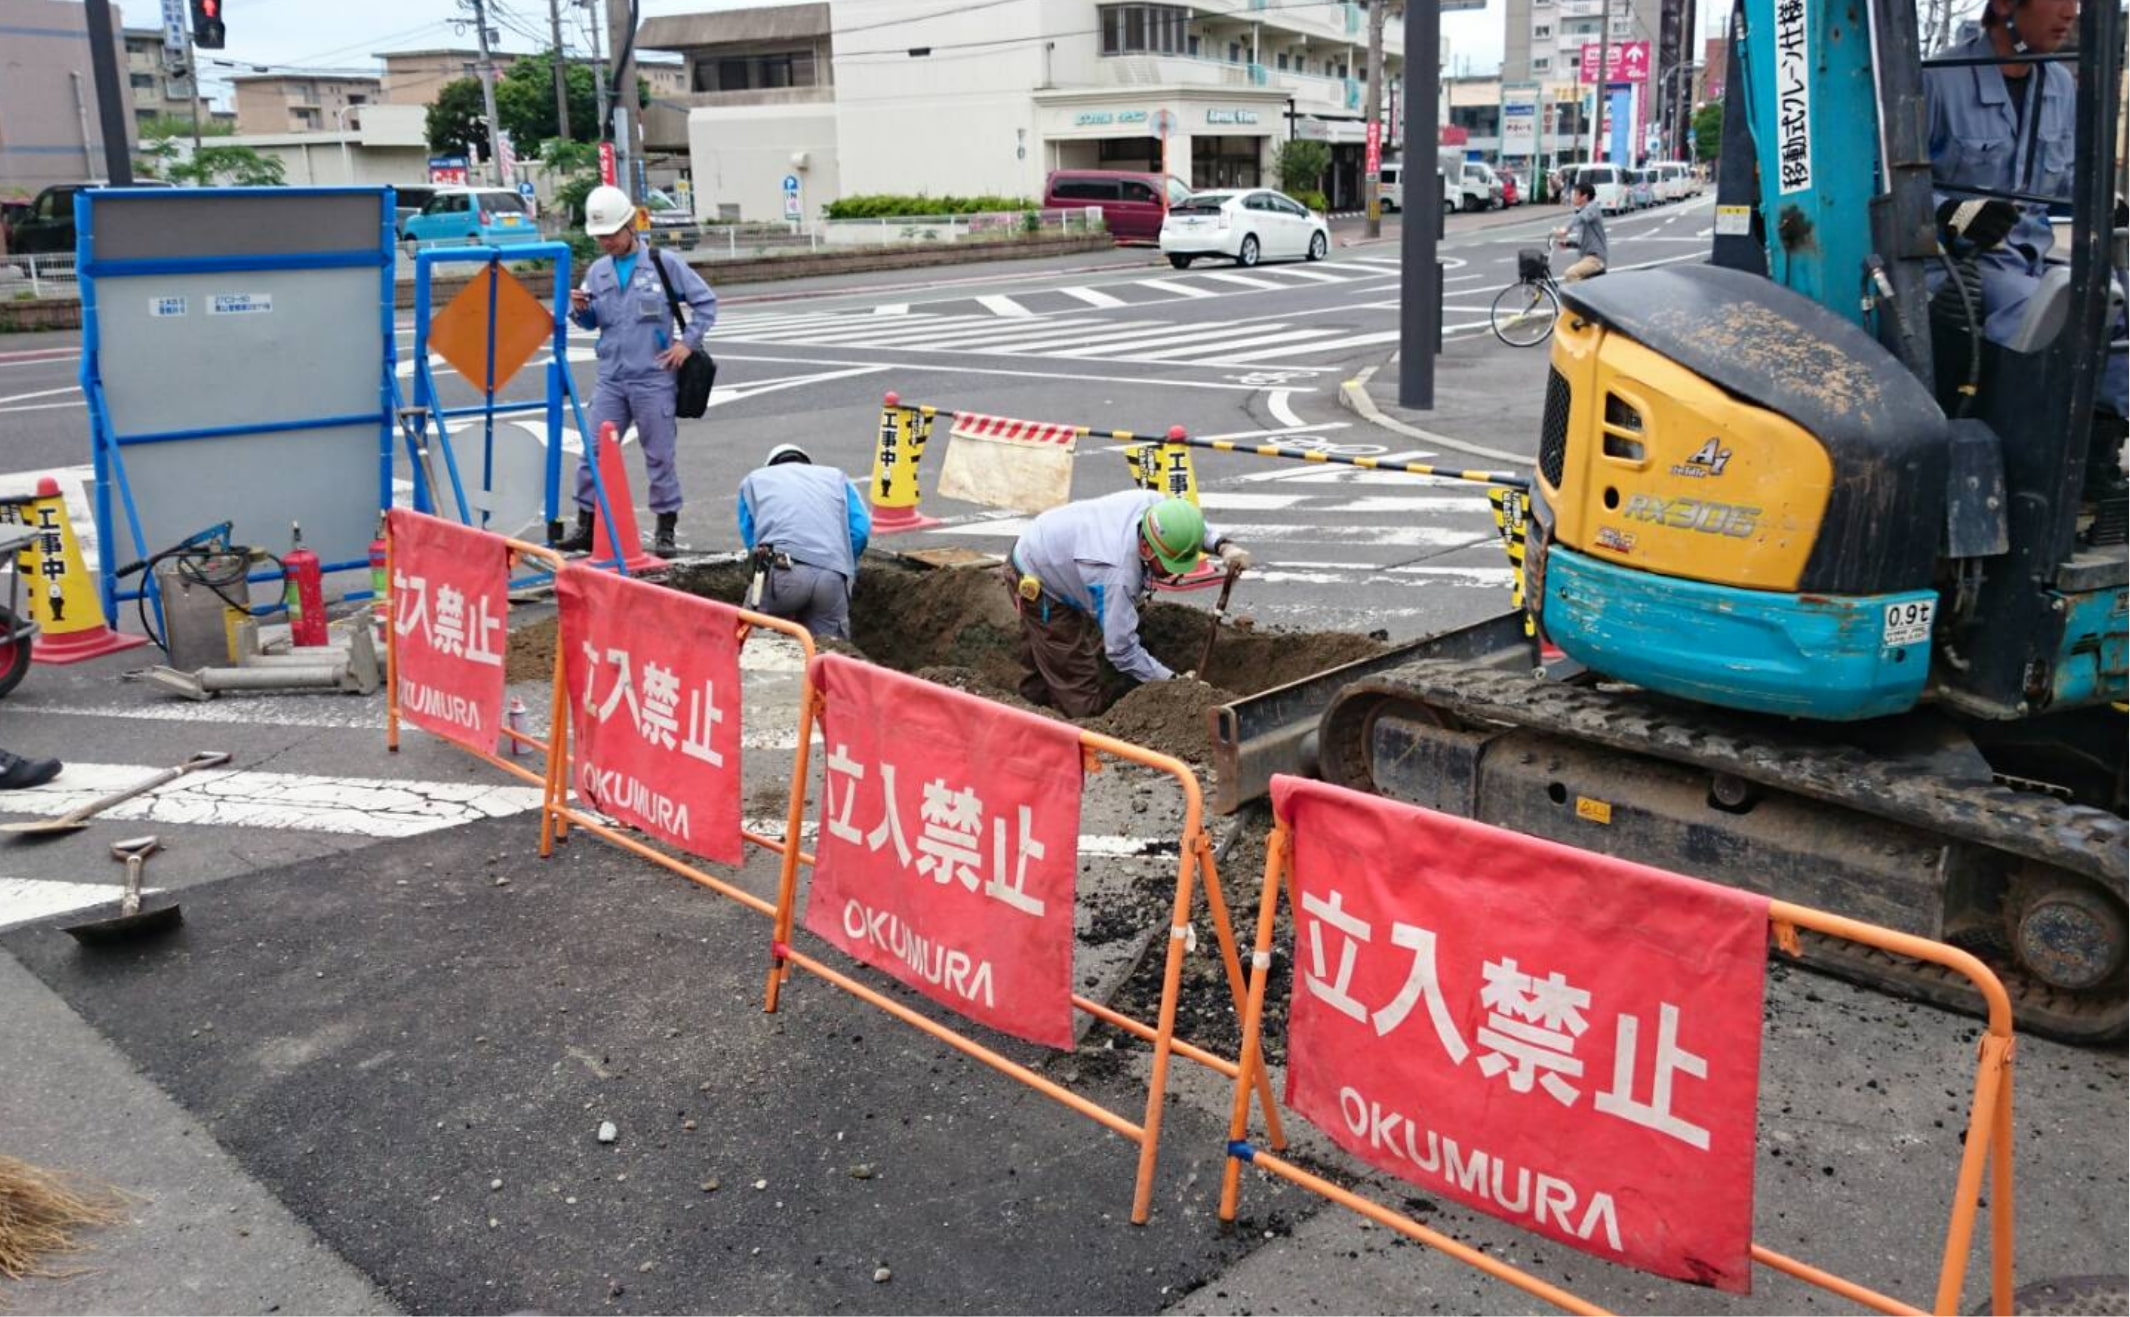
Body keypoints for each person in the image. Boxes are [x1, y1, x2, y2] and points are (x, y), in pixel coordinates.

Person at [1924, 0, 2126, 416]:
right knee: (2050, 310)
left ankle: (2099, 444)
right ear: (2004, 5)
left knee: (2114, 301)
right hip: (1959, 265)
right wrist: (1956, 213)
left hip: (2031, 258)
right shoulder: (1938, 80)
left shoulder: (2059, 85)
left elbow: (2070, 176)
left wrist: (2111, 203)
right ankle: (2034, 453)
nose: (2070, 13)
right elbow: (1888, 184)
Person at [560, 184, 719, 557]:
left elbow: (706, 303)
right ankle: (586, 524)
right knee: (593, 451)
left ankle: (665, 528)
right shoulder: (598, 272)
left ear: (631, 226)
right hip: (612, 378)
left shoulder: (663, 264)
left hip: (653, 378)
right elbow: (592, 321)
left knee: (659, 454)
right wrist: (580, 309)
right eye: (599, 236)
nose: (606, 242)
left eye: (611, 233)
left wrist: (687, 343)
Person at [1005, 490, 1250, 717]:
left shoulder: (1157, 510)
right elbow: (1121, 650)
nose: (1171, 573)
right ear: (1145, 548)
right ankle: (1073, 725)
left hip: (1059, 548)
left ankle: (1031, 710)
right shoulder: (1116, 575)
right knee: (1072, 672)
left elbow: (1188, 526)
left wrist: (1222, 545)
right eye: (1167, 565)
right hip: (1037, 573)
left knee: (1045, 655)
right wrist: (1173, 681)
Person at [735, 444, 870, 641]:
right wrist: (842, 563)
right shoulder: (836, 478)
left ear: (770, 466)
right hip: (831, 577)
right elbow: (860, 531)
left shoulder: (754, 481)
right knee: (829, 652)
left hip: (781, 571)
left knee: (756, 640)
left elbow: (752, 540)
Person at [1553, 182, 1609, 282]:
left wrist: (1566, 229)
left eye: (1575, 194)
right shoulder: (1584, 211)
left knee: (1571, 273)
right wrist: (1568, 244)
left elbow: (1580, 218)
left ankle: (1580, 297)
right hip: (1587, 258)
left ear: (1584, 196)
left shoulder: (1592, 208)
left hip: (1595, 259)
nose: (1573, 197)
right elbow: (1583, 241)